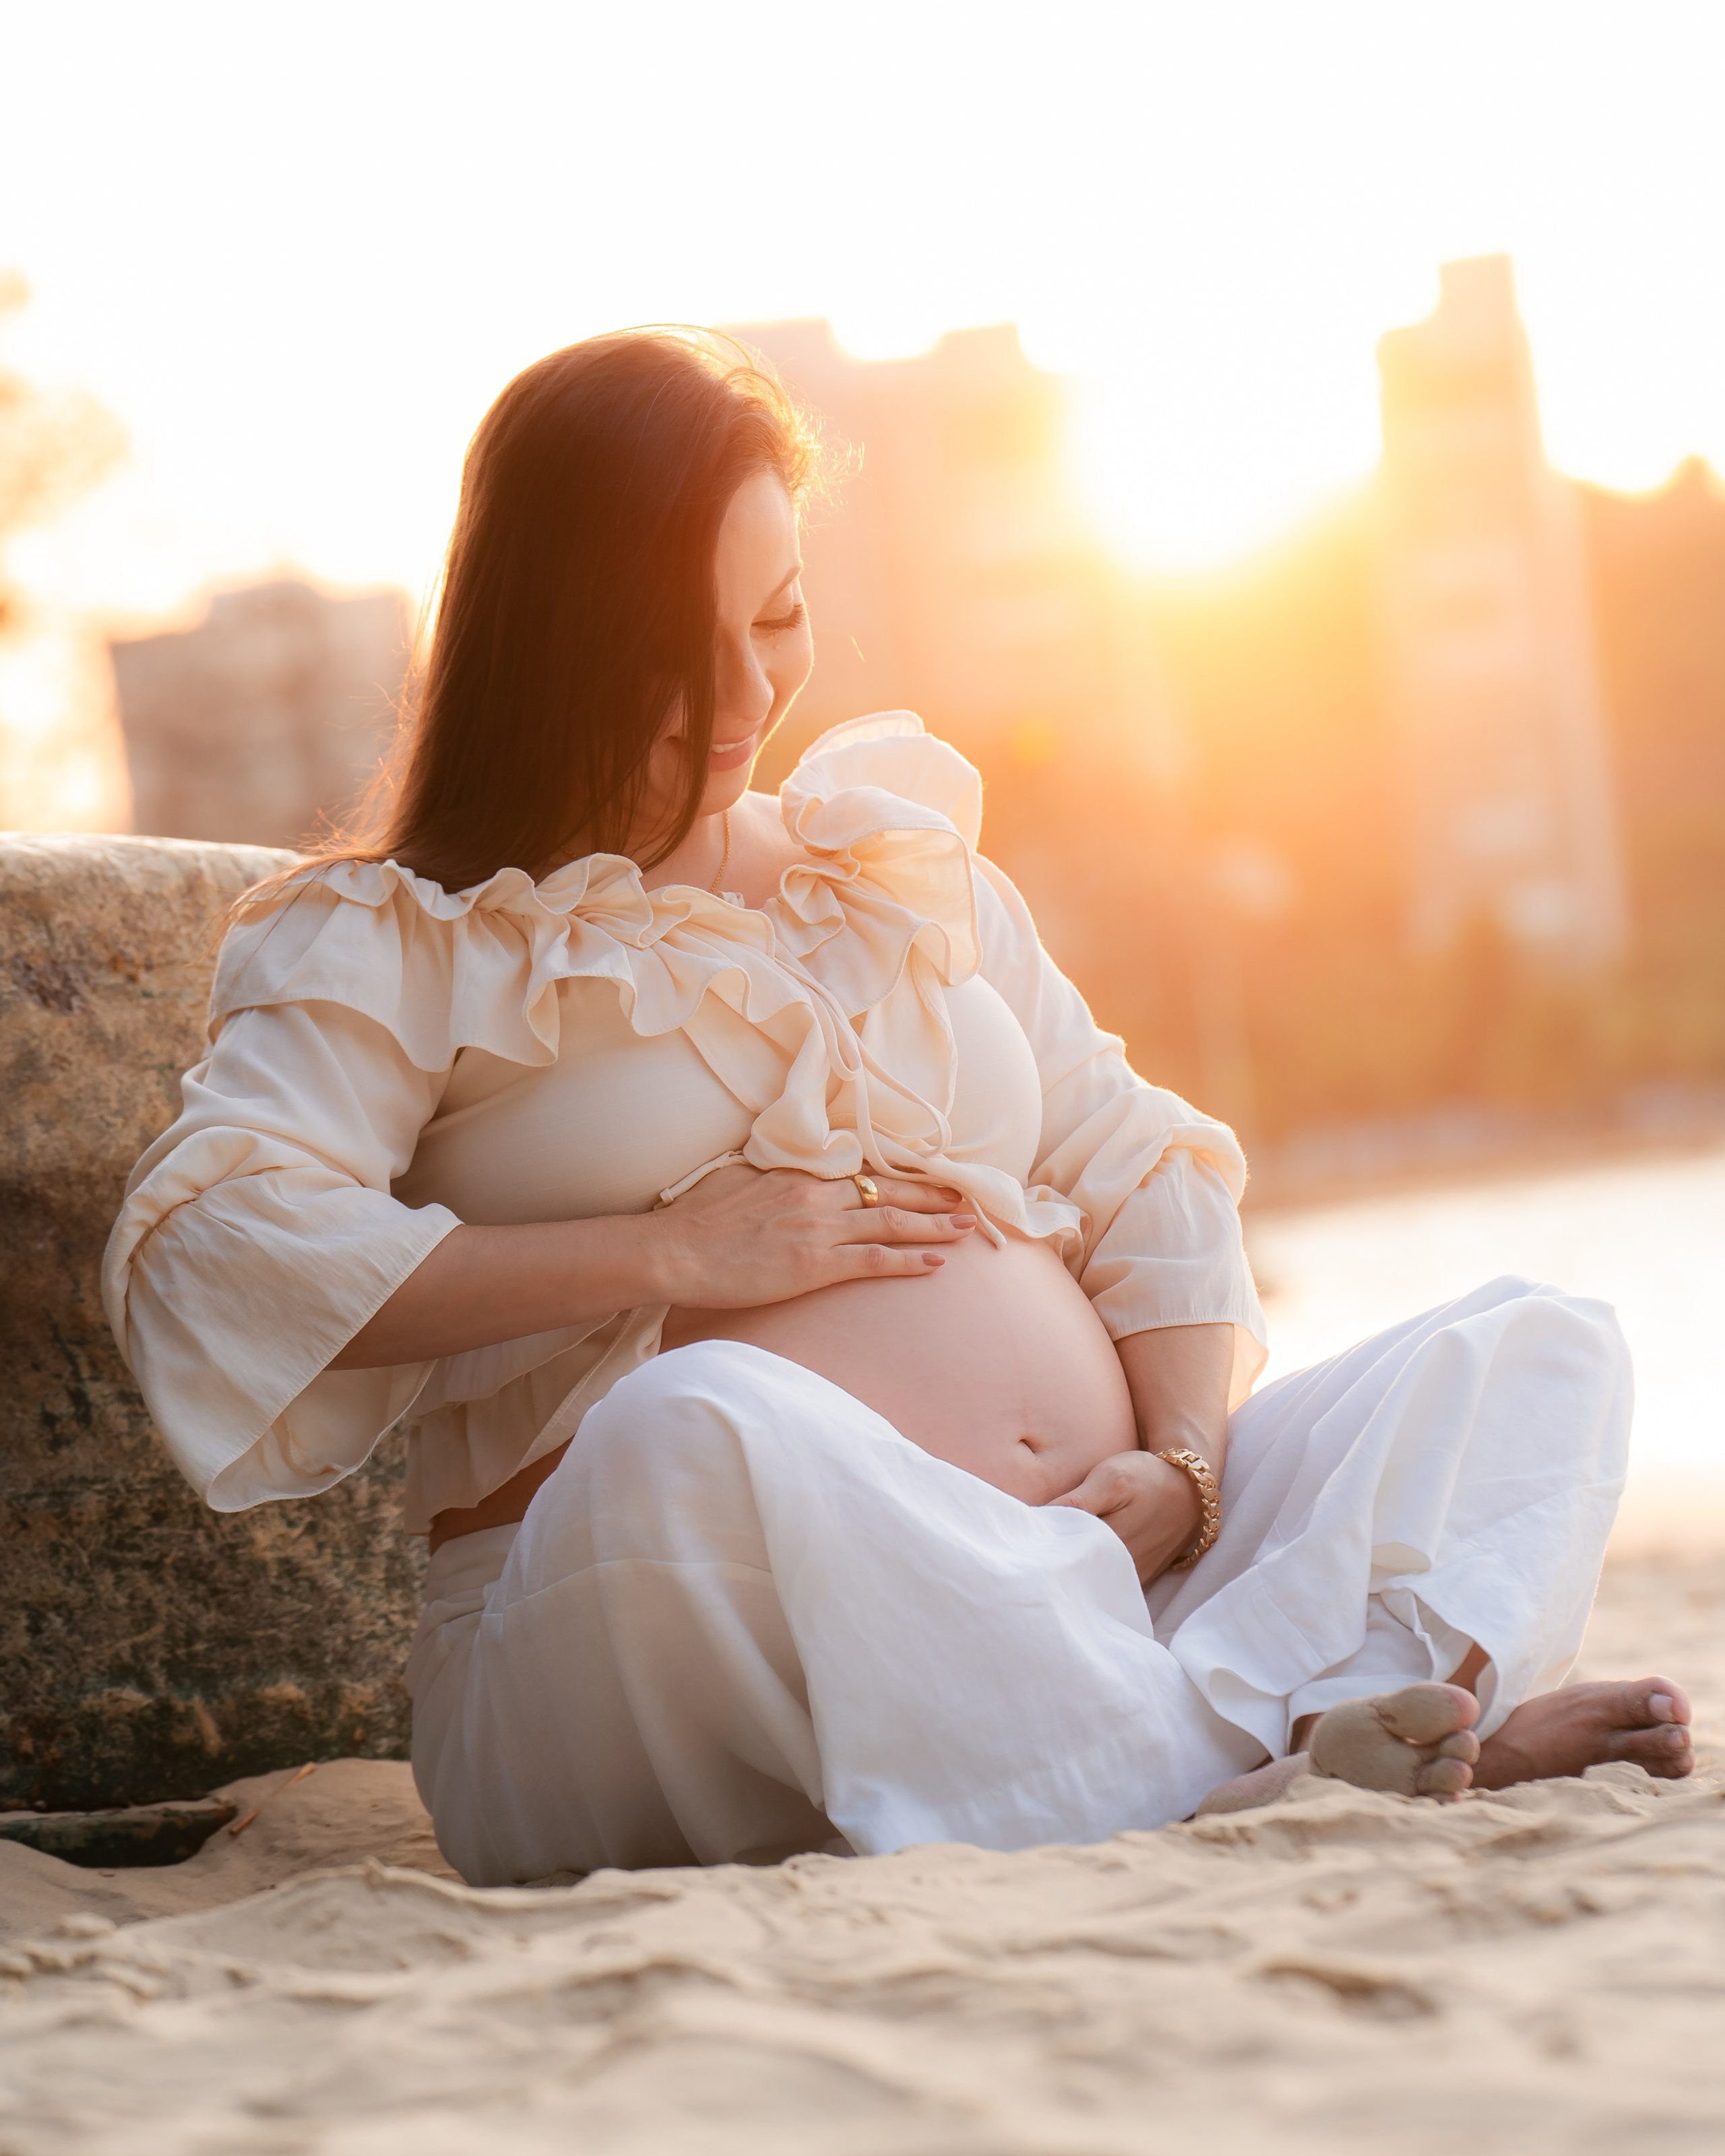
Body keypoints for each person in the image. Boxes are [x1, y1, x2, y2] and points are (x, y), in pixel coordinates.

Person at [104, 329, 1692, 1886]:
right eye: (672, 645)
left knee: (1529, 1344)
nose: (741, 695)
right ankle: (1280, 1753)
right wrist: (669, 1255)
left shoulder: (888, 866)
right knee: (690, 1424)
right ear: (552, 636)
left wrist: (1186, 1468)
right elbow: (215, 1247)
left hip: (1095, 1579)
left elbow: (1139, 1168)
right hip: (633, 1627)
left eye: (779, 618)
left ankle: (1247, 1750)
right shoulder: (399, 938)